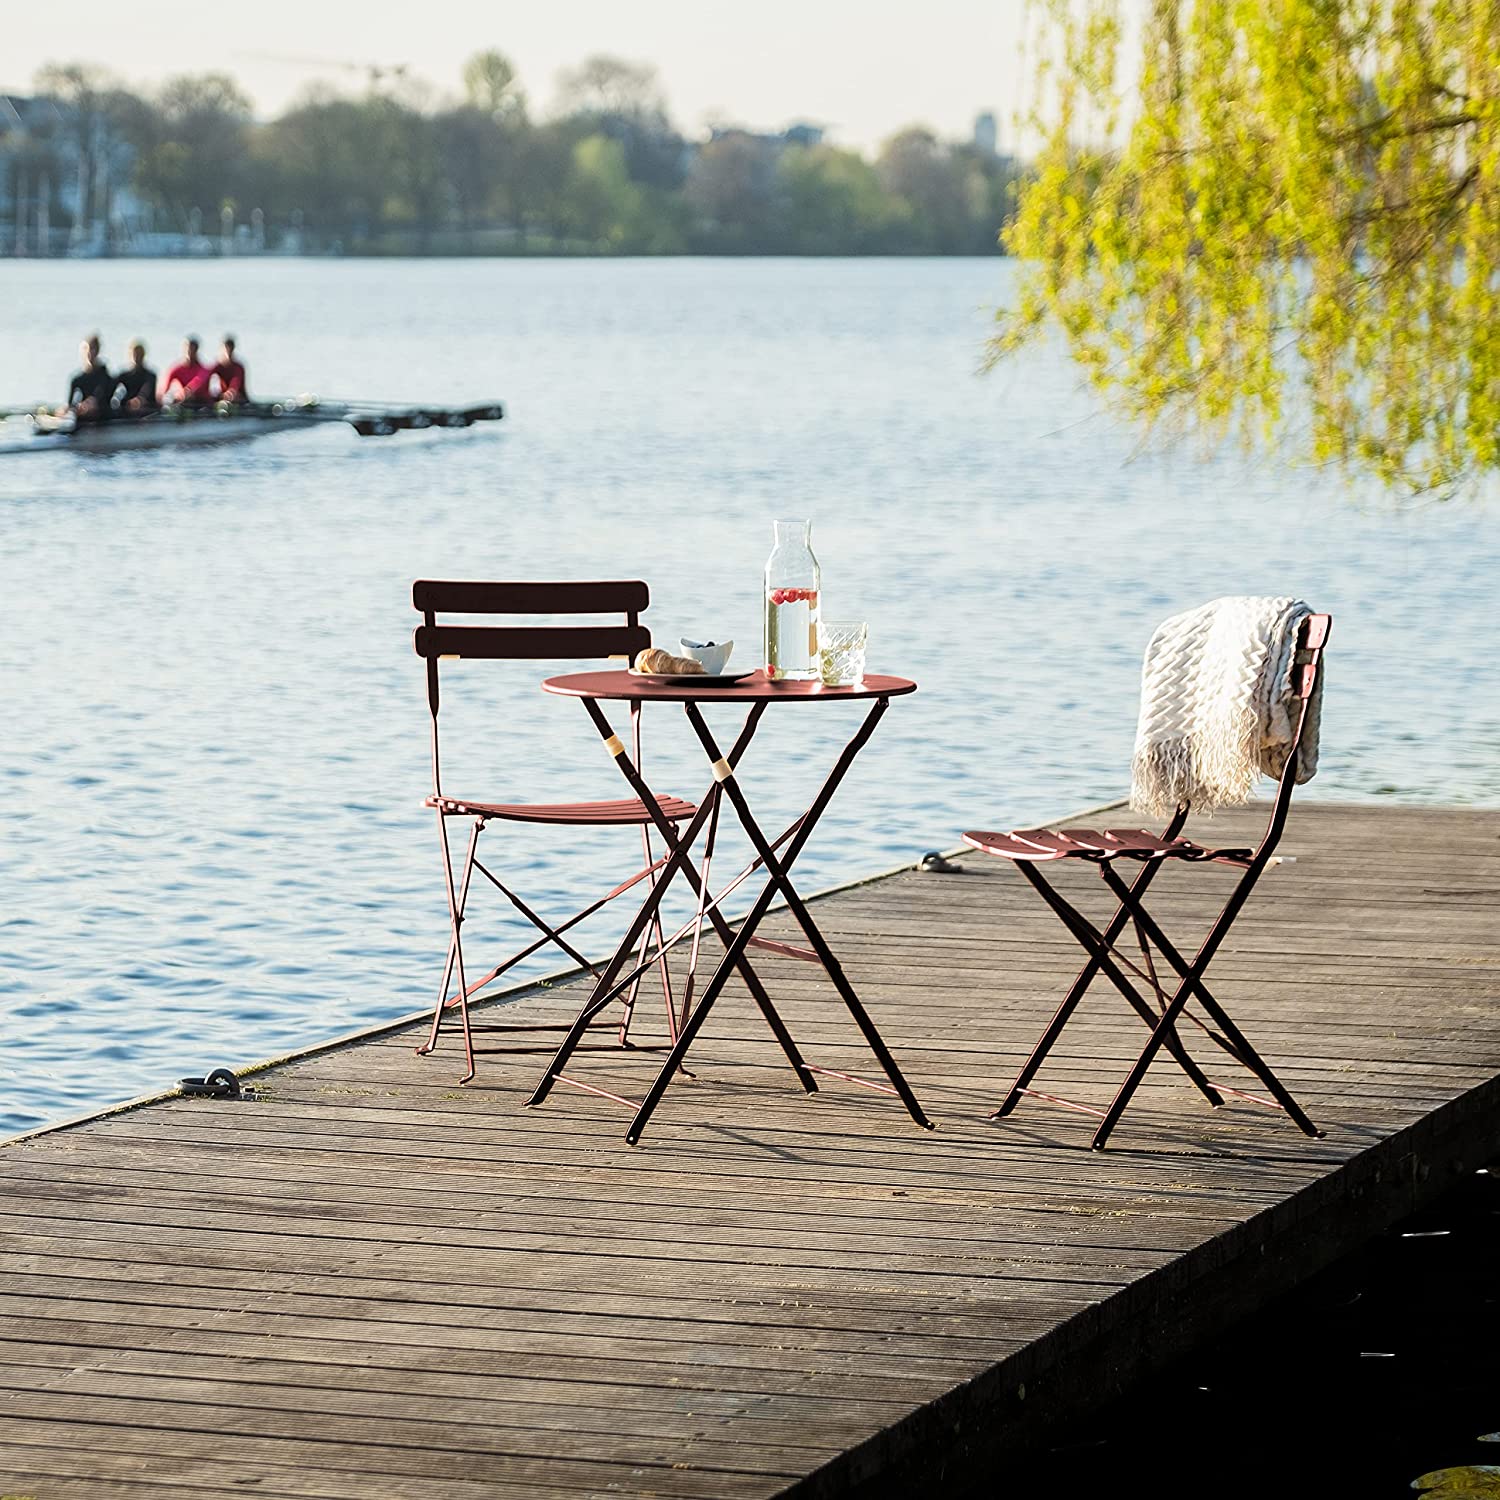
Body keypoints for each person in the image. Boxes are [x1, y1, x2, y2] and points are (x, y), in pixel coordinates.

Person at [65, 335, 113, 422]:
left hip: (102, 415)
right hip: (84, 414)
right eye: (86, 349)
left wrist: (92, 403)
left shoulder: (105, 376)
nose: (90, 352)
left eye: (93, 349)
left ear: (98, 351)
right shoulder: (76, 380)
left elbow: (102, 393)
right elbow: (71, 404)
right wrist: (74, 408)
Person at [159, 337, 214, 406]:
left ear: (196, 350)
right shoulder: (177, 369)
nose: (189, 352)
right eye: (187, 349)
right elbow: (164, 389)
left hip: (202, 403)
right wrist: (162, 399)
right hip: (185, 400)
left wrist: (184, 393)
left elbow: (197, 383)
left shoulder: (204, 370)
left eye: (192, 349)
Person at [114, 341, 159, 416]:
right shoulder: (123, 376)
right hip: (128, 410)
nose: (137, 357)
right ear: (130, 355)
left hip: (146, 412)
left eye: (139, 354)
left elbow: (147, 390)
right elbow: (111, 388)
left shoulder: (151, 376)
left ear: (143, 355)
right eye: (135, 354)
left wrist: (139, 400)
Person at [211, 336, 249, 404]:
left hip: (238, 397)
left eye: (230, 348)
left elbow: (236, 382)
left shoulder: (238, 367)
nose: (228, 351)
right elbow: (205, 377)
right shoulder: (218, 366)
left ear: (233, 349)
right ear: (221, 349)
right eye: (226, 348)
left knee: (235, 397)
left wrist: (231, 392)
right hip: (224, 396)